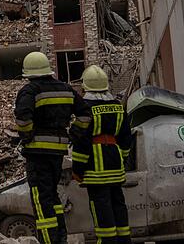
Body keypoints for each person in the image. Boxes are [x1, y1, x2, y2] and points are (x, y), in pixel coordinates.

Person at [14, 51, 84, 244]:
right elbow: (86, 115)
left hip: (37, 153)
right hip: (57, 154)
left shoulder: (30, 91)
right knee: (52, 196)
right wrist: (73, 134)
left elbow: (22, 118)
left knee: (40, 200)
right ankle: (60, 237)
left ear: (29, 73)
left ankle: (49, 240)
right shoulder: (66, 89)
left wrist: (26, 136)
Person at [70, 65, 132, 244]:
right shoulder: (119, 107)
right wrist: (123, 160)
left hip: (95, 168)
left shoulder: (85, 109)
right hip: (115, 162)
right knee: (118, 203)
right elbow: (126, 139)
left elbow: (81, 143)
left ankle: (107, 241)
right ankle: (124, 239)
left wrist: (78, 170)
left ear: (85, 86)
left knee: (101, 206)